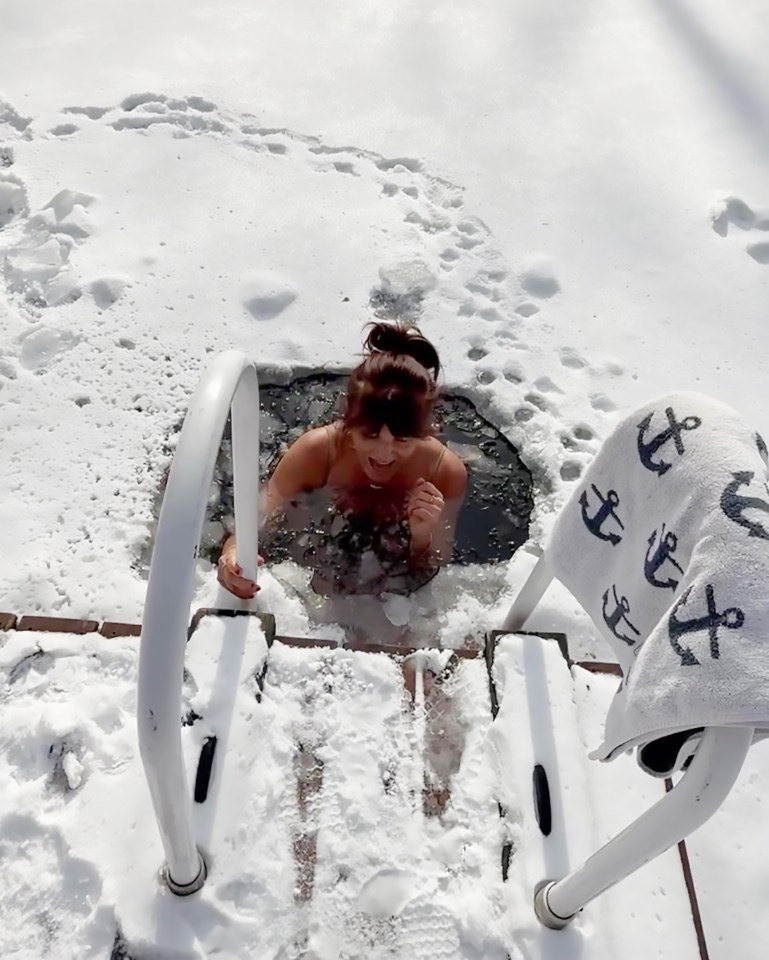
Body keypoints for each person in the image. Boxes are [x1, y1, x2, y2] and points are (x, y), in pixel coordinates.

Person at [217, 321, 468, 599]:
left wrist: (421, 536)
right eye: (370, 436)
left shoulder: (444, 471)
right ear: (349, 422)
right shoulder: (318, 451)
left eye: (402, 440)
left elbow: (433, 567)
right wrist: (232, 556)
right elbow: (258, 519)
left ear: (423, 433)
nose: (384, 454)